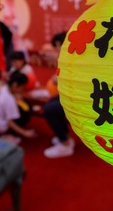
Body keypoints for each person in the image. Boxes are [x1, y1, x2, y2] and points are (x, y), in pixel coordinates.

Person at [42, 31, 76, 159]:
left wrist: (59, 80)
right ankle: (65, 136)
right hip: (70, 94)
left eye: (57, 46)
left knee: (49, 110)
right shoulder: (67, 57)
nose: (56, 49)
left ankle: (65, 144)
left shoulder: (75, 57)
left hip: (81, 99)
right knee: (50, 103)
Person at [0, 70, 36, 141]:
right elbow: (10, 122)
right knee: (26, 112)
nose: (22, 90)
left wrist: (15, 95)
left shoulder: (5, 88)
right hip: (0, 127)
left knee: (24, 107)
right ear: (15, 85)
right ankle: (8, 134)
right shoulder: (9, 101)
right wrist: (25, 133)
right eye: (22, 88)